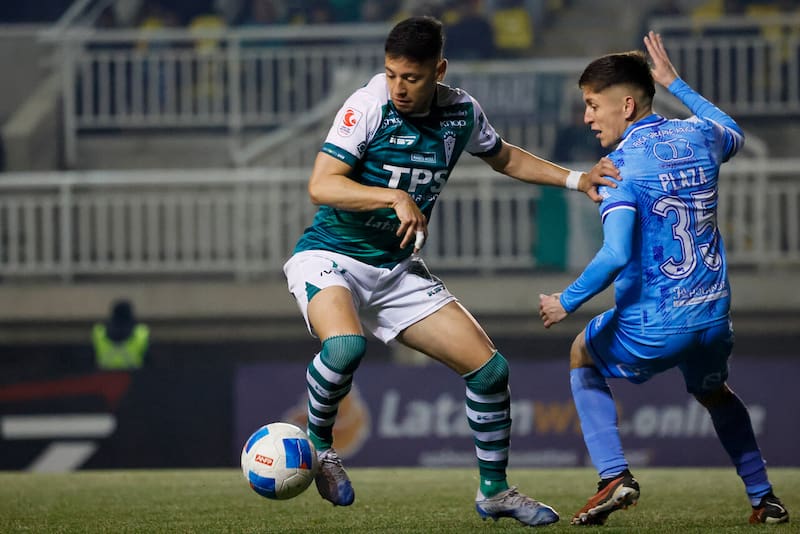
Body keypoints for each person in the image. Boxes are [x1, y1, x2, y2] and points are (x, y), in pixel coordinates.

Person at [283, 15, 619, 527]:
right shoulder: (367, 105)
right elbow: (322, 185)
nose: (399, 87)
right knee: (345, 346)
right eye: (392, 73)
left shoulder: (462, 112)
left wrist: (578, 179)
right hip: (332, 257)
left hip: (397, 271)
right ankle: (321, 449)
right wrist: (392, 196)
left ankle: (495, 493)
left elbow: (503, 157)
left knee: (491, 371)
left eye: (412, 78)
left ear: (438, 70)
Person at [538, 31, 790, 526]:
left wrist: (565, 302)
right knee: (716, 393)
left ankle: (613, 476)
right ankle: (764, 498)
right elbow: (730, 128)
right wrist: (677, 83)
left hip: (654, 324)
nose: (587, 117)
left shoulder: (618, 168)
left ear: (626, 105)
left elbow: (613, 255)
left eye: (593, 105)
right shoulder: (698, 135)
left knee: (581, 355)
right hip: (714, 316)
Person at [92, 299, 150, 370]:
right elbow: (148, 358)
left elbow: (90, 357)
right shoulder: (141, 332)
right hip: (133, 376)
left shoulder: (99, 331)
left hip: (104, 377)